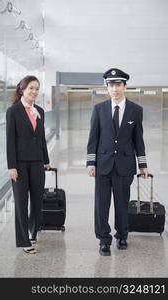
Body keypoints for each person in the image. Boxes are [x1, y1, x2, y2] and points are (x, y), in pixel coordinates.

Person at [86, 68, 148, 256]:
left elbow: (139, 139)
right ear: (107, 87)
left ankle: (122, 235)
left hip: (125, 166)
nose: (115, 89)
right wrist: (91, 162)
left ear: (125, 86)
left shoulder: (136, 110)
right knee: (101, 204)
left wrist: (143, 164)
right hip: (103, 165)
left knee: (122, 203)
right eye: (111, 85)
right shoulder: (99, 109)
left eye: (118, 85)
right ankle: (104, 240)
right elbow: (93, 138)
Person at [6, 75, 50, 254]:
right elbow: (10, 141)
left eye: (37, 88)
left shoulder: (39, 110)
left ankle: (33, 231)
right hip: (20, 164)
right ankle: (24, 240)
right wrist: (12, 166)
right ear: (22, 89)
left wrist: (46, 160)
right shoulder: (13, 111)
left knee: (37, 201)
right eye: (31, 88)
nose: (34, 92)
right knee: (21, 203)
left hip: (38, 162)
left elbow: (41, 139)